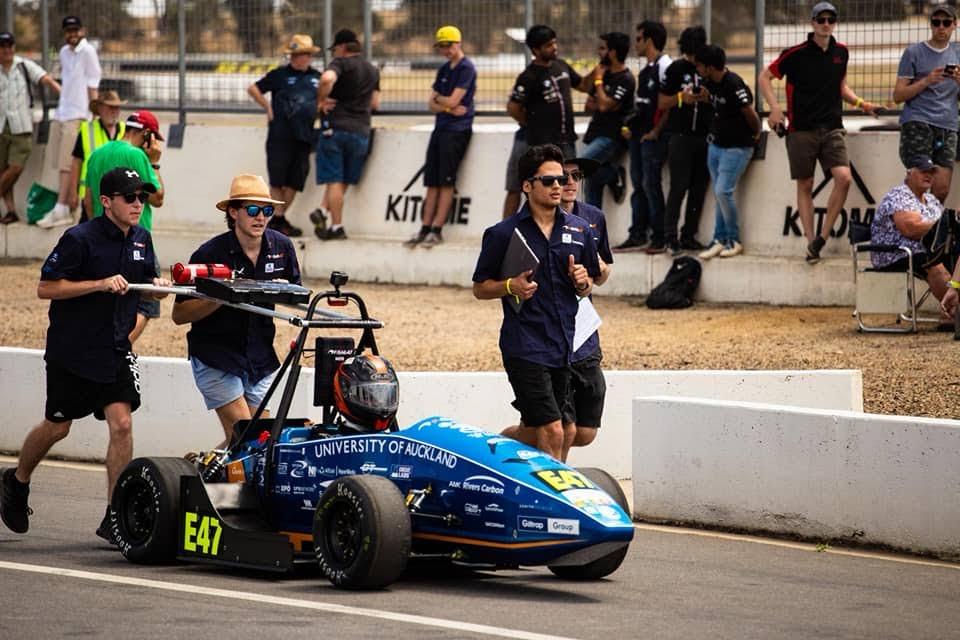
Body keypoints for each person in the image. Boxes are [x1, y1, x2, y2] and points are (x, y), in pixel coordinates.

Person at [0, 166, 170, 540]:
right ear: (107, 201)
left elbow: (145, 291)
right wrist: (98, 284)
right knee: (58, 426)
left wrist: (158, 289)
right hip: (72, 350)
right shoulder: (79, 238)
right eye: (130, 197)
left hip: (115, 348)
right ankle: (17, 479)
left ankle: (116, 515)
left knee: (122, 424)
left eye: (142, 197)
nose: (137, 204)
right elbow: (46, 288)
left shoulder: (142, 238)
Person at [472, 144, 600, 460]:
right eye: (549, 180)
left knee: (567, 431)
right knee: (554, 430)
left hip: (563, 345)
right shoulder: (503, 233)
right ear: (527, 186)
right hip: (524, 345)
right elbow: (480, 288)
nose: (559, 185)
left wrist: (583, 283)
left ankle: (498, 451)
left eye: (561, 179)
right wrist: (509, 285)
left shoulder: (580, 229)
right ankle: (553, 503)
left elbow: (588, 286)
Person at [172, 174, 301, 445]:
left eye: (267, 210)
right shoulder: (209, 253)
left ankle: (197, 471)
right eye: (253, 210)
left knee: (258, 443)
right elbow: (179, 315)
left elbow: (295, 295)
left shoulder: (282, 247)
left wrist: (281, 291)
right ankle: (193, 476)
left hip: (260, 358)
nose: (261, 218)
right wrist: (221, 296)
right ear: (233, 212)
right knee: (247, 439)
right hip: (217, 356)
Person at [759, 2, 877, 264]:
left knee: (844, 178)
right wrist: (775, 109)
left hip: (832, 127)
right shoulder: (795, 53)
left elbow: (841, 87)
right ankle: (811, 242)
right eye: (821, 19)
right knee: (806, 184)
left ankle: (822, 236)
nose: (826, 24)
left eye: (830, 19)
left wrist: (862, 104)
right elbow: (765, 77)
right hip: (801, 130)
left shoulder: (841, 52)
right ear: (812, 23)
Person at [84, 110, 165, 343]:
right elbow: (158, 198)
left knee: (108, 298)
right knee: (147, 302)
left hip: (101, 234)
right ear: (147, 134)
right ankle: (121, 347)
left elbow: (88, 198)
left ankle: (107, 344)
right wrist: (155, 162)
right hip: (135, 237)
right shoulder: (138, 155)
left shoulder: (97, 153)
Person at [559, 156, 612, 458]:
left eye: (575, 176)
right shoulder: (537, 222)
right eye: (562, 176)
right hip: (553, 328)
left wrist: (599, 270)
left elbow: (602, 277)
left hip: (585, 327)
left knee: (585, 432)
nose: (569, 183)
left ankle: (517, 442)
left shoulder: (593, 217)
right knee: (561, 429)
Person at [406, 25, 476, 248]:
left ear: (457, 44)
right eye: (442, 47)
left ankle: (437, 229)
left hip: (456, 131)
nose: (445, 51)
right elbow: (432, 102)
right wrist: (445, 106)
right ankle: (424, 228)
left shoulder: (466, 68)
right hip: (442, 128)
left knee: (446, 182)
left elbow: (453, 101)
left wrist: (441, 102)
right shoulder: (445, 69)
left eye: (448, 46)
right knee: (432, 182)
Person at [502, 25, 582, 218]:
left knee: (567, 188)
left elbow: (583, 84)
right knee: (518, 186)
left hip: (566, 141)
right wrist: (532, 124)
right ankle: (506, 232)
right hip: (536, 142)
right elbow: (513, 108)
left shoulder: (561, 66)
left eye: (554, 42)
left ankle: (566, 230)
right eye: (548, 45)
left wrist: (599, 76)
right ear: (535, 50)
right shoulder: (529, 76)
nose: (554, 47)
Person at [247, 33, 322, 238]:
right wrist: (267, 107)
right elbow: (254, 88)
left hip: (305, 136)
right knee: (277, 180)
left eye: (306, 54)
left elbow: (327, 98)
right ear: (291, 56)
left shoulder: (317, 77)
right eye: (298, 55)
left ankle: (277, 219)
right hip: (280, 135)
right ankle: (278, 221)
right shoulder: (279, 74)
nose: (302, 58)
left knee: (296, 181)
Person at [695, 45, 761, 259]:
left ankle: (734, 240)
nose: (697, 69)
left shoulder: (733, 83)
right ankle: (719, 239)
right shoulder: (707, 83)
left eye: (699, 65)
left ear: (710, 67)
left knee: (724, 191)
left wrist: (757, 133)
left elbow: (749, 112)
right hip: (716, 145)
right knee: (719, 193)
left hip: (737, 147)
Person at [313, 29, 380, 241]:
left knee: (334, 179)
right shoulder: (372, 70)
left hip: (336, 129)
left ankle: (337, 225)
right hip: (361, 130)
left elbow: (326, 79)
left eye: (335, 49)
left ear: (342, 47)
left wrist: (321, 100)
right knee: (345, 179)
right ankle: (323, 211)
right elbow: (375, 103)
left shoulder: (340, 64)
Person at [36, 15, 101, 229]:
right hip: (62, 112)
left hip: (78, 115)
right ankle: (61, 205)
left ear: (82, 30)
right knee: (57, 161)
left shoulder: (88, 52)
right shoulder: (64, 52)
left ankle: (62, 206)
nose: (72, 34)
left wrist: (94, 113)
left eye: (75, 30)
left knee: (67, 162)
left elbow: (93, 83)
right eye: (68, 31)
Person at [653, 25, 712, 256]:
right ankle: (671, 237)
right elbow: (661, 102)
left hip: (704, 136)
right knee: (678, 187)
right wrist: (681, 98)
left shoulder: (709, 66)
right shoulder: (677, 69)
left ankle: (689, 235)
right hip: (680, 136)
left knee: (699, 188)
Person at [892, 3, 960, 204]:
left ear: (954, 25)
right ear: (930, 25)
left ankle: (928, 233)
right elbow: (898, 95)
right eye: (936, 22)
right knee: (919, 184)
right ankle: (907, 231)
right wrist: (926, 81)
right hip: (918, 122)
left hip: (947, 125)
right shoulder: (914, 52)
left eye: (946, 23)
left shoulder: (957, 52)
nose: (941, 27)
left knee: (941, 188)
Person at [871, 156, 952, 321]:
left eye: (931, 172)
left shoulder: (931, 200)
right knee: (935, 264)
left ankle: (951, 313)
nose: (928, 175)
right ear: (909, 172)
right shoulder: (899, 195)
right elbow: (911, 229)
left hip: (923, 250)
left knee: (955, 259)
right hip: (895, 253)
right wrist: (943, 227)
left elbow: (946, 224)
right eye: (923, 171)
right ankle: (955, 313)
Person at [616, 20, 671, 252]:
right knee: (639, 184)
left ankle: (660, 236)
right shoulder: (646, 68)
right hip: (639, 137)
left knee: (651, 184)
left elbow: (668, 104)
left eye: (638, 39)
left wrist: (655, 131)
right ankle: (638, 232)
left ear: (649, 40)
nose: (635, 43)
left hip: (654, 138)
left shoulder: (664, 66)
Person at [0, 31, 59, 225]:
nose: (7, 50)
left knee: (16, 167)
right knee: (4, 169)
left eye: (10, 46)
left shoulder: (23, 66)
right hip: (1, 126)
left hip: (21, 126)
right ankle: (10, 211)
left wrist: (62, 93)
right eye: (3, 46)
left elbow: (44, 78)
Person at [580, 32, 635, 208]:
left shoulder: (625, 78)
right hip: (595, 132)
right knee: (591, 183)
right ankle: (594, 231)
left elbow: (603, 106)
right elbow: (588, 106)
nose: (599, 52)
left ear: (613, 52)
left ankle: (613, 174)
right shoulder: (603, 74)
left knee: (582, 165)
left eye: (603, 48)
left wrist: (598, 83)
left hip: (611, 136)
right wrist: (602, 100)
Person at [69, 90, 126, 223]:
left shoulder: (125, 129)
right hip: (91, 194)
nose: (114, 111)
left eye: (117, 107)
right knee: (87, 234)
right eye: (110, 107)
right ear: (100, 109)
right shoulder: (86, 129)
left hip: (118, 195)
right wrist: (73, 192)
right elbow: (76, 162)